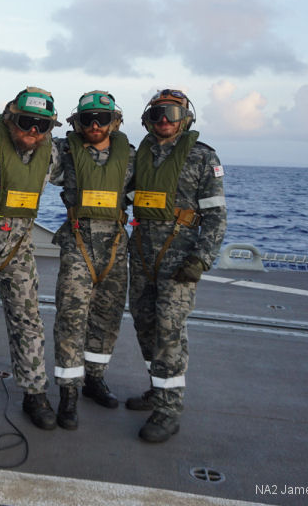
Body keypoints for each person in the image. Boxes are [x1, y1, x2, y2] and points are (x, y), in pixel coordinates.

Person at [0, 86, 63, 430]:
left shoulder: (52, 154)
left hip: (16, 246)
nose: (32, 130)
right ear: (9, 118)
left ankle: (35, 392)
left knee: (27, 318)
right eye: (25, 122)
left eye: (41, 125)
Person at [126, 88, 227, 442]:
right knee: (145, 323)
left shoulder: (203, 157)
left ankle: (169, 410)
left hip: (179, 256)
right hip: (142, 252)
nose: (164, 120)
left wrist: (201, 258)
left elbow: (216, 216)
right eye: (157, 114)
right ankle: (158, 388)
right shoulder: (141, 154)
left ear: (185, 118)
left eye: (171, 113)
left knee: (169, 330)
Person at [51, 91, 134, 429]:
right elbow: (30, 154)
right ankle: (68, 392)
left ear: (115, 121)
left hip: (115, 246)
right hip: (78, 243)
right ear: (77, 122)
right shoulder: (64, 153)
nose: (96, 125)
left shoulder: (131, 156)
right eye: (88, 119)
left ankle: (94, 378)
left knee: (107, 317)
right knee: (71, 318)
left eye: (103, 118)